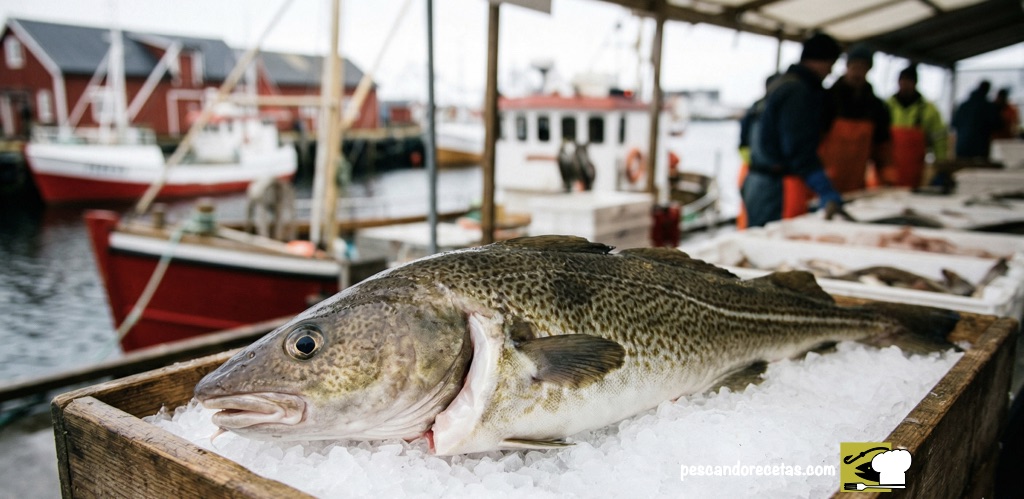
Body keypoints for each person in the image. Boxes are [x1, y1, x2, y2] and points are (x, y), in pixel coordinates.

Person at [742, 32, 843, 228]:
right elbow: (798, 147)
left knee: (758, 235)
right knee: (770, 245)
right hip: (776, 186)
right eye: (831, 65)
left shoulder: (779, 84)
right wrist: (824, 187)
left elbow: (745, 133)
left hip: (755, 180)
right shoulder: (799, 92)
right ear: (824, 61)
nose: (829, 73)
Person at [818, 43, 891, 195]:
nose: (857, 72)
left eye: (863, 67)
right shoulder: (827, 98)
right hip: (824, 182)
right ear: (847, 66)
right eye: (854, 66)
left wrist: (887, 175)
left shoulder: (876, 106)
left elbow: (883, 146)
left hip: (856, 183)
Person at [885, 65, 948, 188]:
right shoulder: (886, 106)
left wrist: (941, 166)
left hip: (914, 170)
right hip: (888, 168)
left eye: (909, 81)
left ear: (915, 83)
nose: (905, 84)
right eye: (902, 80)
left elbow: (940, 139)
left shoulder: (929, 110)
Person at [952, 80, 999, 160]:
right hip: (980, 149)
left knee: (962, 169)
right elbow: (996, 125)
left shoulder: (964, 105)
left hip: (962, 146)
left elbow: (954, 123)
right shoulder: (988, 107)